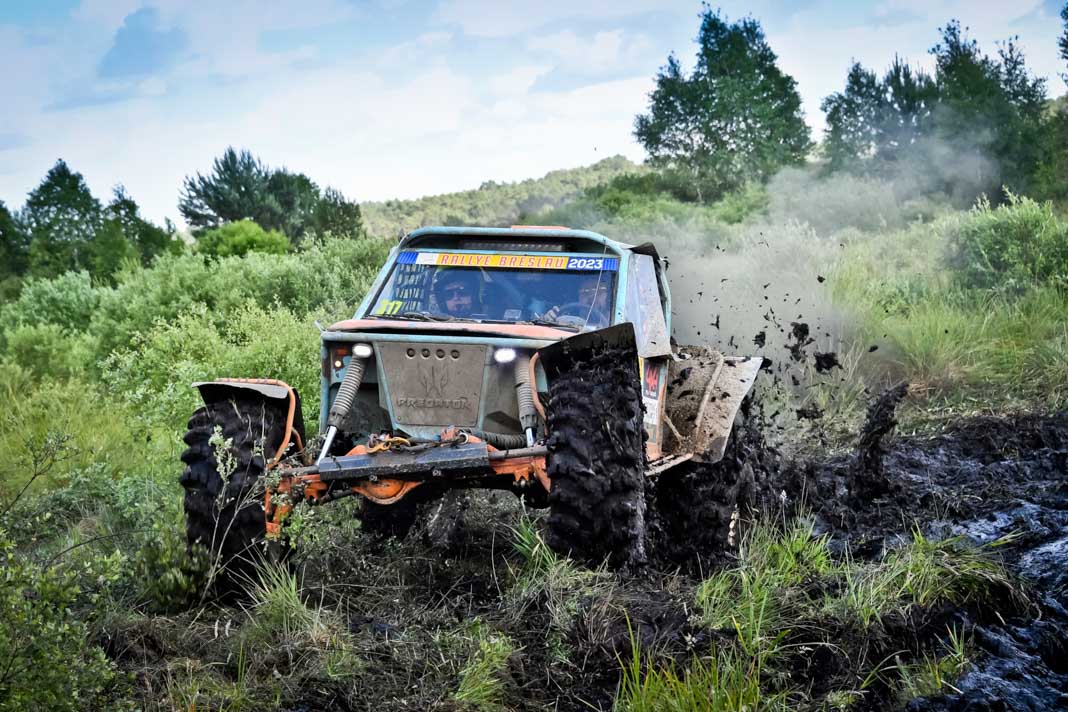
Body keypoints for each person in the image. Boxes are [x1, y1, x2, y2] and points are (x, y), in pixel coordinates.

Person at [541, 273, 611, 327]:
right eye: (585, 292)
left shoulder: (614, 320)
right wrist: (548, 321)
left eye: (599, 291)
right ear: (578, 297)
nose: (591, 296)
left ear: (607, 296)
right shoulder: (564, 316)